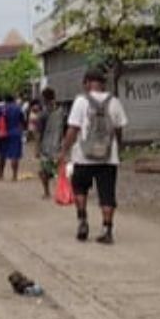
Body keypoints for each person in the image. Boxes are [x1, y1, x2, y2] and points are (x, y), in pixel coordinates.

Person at [60, 70, 128, 244]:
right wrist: (117, 148)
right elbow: (120, 128)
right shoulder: (114, 102)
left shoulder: (80, 102)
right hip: (108, 157)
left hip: (83, 156)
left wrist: (64, 150)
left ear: (87, 83)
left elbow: (73, 129)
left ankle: (82, 221)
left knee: (80, 188)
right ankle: (107, 229)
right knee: (107, 194)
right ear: (103, 83)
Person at [36, 87, 65, 200]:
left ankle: (47, 192)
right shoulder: (61, 111)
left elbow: (38, 133)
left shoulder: (43, 114)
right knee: (59, 169)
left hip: (46, 146)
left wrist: (37, 148)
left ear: (44, 98)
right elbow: (64, 128)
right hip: (58, 145)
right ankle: (61, 190)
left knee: (43, 171)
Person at [0, 94, 26, 181]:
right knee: (14, 155)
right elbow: (22, 121)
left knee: (2, 155)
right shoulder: (18, 108)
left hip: (2, 134)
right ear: (14, 100)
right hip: (15, 133)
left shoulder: (1, 109)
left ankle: (1, 174)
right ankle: (14, 176)